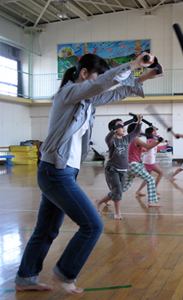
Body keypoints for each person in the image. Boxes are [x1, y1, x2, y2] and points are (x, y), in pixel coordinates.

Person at [14, 52, 162, 294]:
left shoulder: (86, 101)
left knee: (46, 229)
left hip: (63, 173)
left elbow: (114, 92)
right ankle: (65, 273)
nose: (100, 81)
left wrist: (144, 76)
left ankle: (25, 278)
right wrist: (134, 64)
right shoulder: (68, 94)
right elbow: (103, 84)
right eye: (96, 76)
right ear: (84, 73)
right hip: (55, 172)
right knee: (93, 225)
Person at [95, 117, 143, 219]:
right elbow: (108, 136)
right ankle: (117, 213)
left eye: (123, 125)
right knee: (117, 191)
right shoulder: (111, 140)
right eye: (120, 126)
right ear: (115, 128)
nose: (123, 127)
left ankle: (99, 201)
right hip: (112, 169)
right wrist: (114, 129)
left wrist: (139, 121)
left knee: (118, 191)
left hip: (123, 169)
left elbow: (136, 131)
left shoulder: (127, 138)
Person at [122, 123, 162, 207]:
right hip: (133, 165)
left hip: (128, 166)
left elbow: (146, 148)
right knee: (150, 179)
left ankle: (104, 198)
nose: (142, 131)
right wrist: (157, 140)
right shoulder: (136, 139)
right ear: (135, 131)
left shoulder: (131, 139)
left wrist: (157, 141)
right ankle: (151, 202)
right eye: (140, 130)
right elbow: (148, 146)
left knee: (123, 188)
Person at [136, 126, 170, 196]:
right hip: (149, 161)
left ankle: (138, 191)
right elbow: (155, 141)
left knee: (148, 178)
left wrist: (166, 145)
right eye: (154, 132)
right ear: (151, 133)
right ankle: (155, 189)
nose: (156, 133)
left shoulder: (153, 141)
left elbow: (158, 147)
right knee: (161, 173)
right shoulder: (150, 141)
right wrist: (159, 139)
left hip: (149, 160)